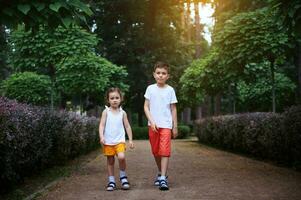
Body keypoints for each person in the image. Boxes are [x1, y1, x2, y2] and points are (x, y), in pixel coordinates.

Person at [144, 61, 178, 191]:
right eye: (158, 73)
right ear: (154, 74)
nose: (161, 75)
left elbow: (173, 108)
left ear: (167, 76)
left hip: (166, 125)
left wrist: (175, 126)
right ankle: (160, 172)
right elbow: (146, 107)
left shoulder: (170, 90)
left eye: (164, 73)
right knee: (156, 151)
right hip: (153, 125)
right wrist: (151, 121)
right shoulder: (150, 89)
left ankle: (163, 178)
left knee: (164, 151)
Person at [99, 87, 134, 191]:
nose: (114, 100)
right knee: (110, 161)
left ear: (121, 99)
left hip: (120, 141)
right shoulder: (106, 112)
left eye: (117, 98)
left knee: (121, 157)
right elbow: (101, 125)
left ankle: (123, 177)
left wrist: (131, 140)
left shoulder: (123, 113)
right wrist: (101, 137)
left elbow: (127, 126)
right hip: (108, 141)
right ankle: (111, 181)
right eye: (112, 98)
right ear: (108, 100)